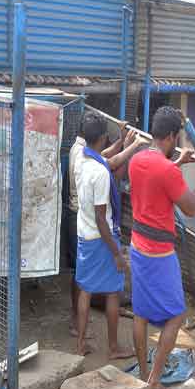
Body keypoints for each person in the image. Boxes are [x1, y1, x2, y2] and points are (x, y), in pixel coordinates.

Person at [128, 106, 195, 389]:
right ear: (173, 136)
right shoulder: (166, 170)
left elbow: (157, 179)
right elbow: (190, 207)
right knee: (176, 316)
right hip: (158, 253)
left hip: (137, 246)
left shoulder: (137, 158)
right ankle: (153, 383)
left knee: (140, 314)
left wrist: (177, 162)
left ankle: (142, 375)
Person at [66, 115, 140, 337]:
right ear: (102, 138)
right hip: (101, 236)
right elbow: (110, 163)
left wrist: (122, 142)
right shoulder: (100, 172)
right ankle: (114, 346)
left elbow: (105, 157)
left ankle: (80, 342)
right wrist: (117, 253)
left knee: (85, 287)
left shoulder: (81, 156)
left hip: (84, 232)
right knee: (113, 292)